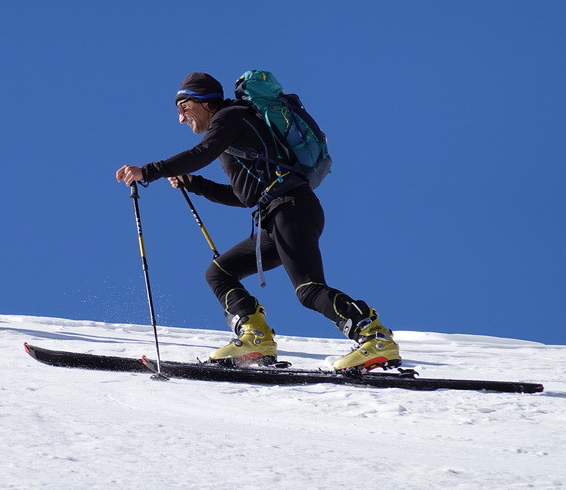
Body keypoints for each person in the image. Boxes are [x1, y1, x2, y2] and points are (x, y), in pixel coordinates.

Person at [115, 71, 400, 371]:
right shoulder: (236, 127)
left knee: (309, 289)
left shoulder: (230, 117)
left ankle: (374, 337)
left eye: (183, 107)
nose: (181, 119)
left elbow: (202, 153)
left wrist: (147, 171)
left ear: (204, 101)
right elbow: (245, 196)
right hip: (282, 213)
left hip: (291, 210)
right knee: (220, 273)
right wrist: (194, 183)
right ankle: (256, 339)